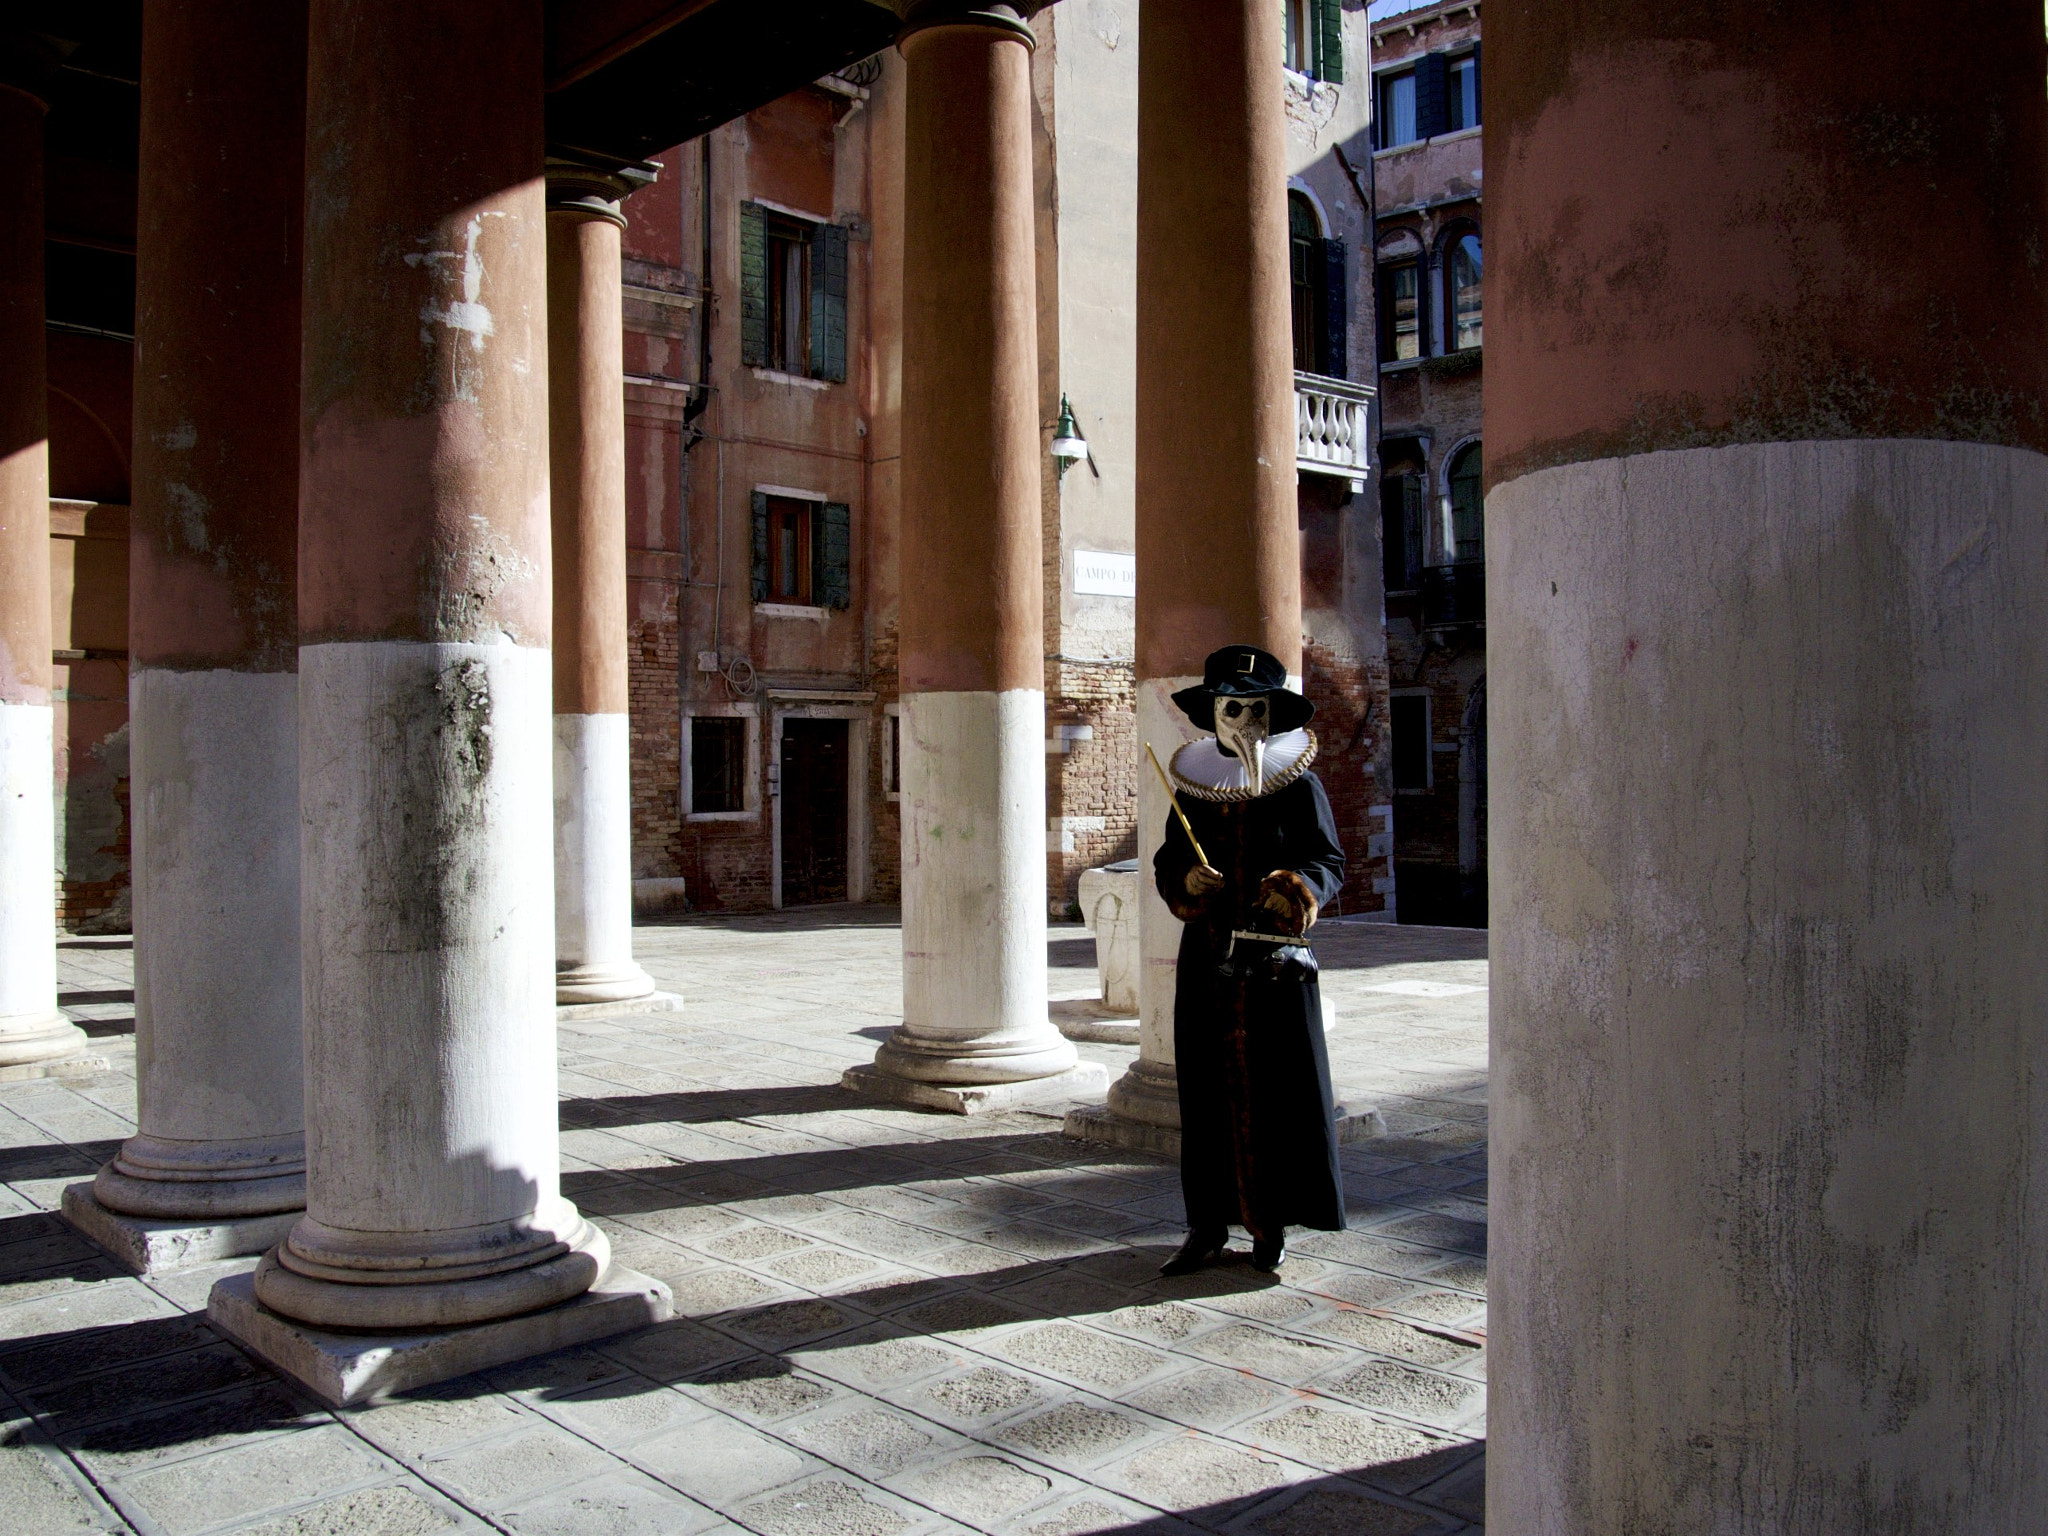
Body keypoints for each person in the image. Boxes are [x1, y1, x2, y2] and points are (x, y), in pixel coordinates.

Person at [1153, 644, 1346, 1274]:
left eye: (1255, 708)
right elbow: (1166, 861)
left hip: (1275, 971)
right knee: (1206, 1099)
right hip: (1208, 964)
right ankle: (1206, 1228)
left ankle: (1271, 1227)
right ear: (1213, 714)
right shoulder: (1197, 787)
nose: (1243, 721)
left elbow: (1328, 863)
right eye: (1231, 708)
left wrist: (1294, 887)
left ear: (1273, 714)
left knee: (1278, 1096)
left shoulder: (1300, 785)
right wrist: (1187, 880)